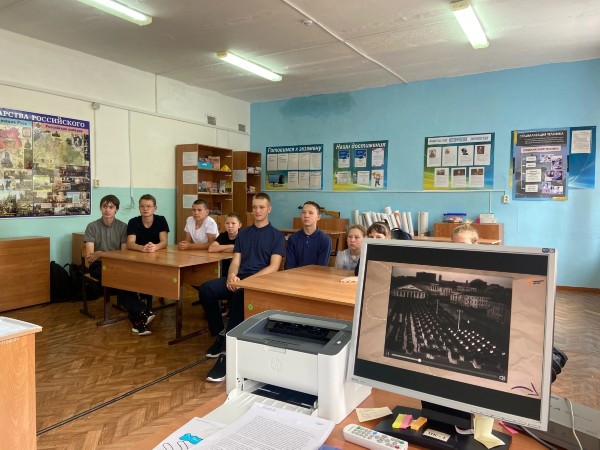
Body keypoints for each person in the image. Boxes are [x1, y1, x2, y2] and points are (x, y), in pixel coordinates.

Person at [199, 192, 285, 382]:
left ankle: (226, 354)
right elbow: (236, 261)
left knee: (239, 296)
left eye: (261, 207)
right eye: (254, 207)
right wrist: (231, 275)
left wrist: (246, 282)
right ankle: (220, 333)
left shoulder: (277, 236)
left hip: (260, 282)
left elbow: (274, 267)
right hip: (239, 279)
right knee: (206, 289)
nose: (257, 211)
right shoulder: (244, 234)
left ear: (269, 209)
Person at [84, 195, 154, 336]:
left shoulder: (123, 227)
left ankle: (138, 322)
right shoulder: (92, 226)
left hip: (116, 264)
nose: (107, 210)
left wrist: (101, 253)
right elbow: (90, 256)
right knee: (118, 280)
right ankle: (143, 310)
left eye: (111, 207)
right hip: (97, 265)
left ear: (116, 209)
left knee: (122, 280)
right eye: (104, 206)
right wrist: (102, 255)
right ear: (100, 208)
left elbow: (123, 253)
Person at [122, 194, 170, 335]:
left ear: (155, 208)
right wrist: (142, 248)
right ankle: (142, 314)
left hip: (157, 259)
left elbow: (164, 242)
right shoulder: (133, 221)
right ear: (139, 208)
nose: (145, 209)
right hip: (138, 259)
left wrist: (155, 247)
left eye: (148, 206)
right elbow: (130, 243)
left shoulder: (161, 220)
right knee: (127, 282)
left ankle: (139, 320)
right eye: (142, 206)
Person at [284, 201, 331, 269]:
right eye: (303, 212)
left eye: (310, 213)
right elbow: (289, 266)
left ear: (318, 217)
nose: (306, 216)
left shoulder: (325, 240)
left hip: (316, 275)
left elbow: (321, 268)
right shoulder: (293, 238)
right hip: (294, 275)